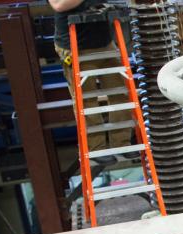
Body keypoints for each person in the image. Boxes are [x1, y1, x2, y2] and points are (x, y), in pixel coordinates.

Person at [48, 0, 133, 165]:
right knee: (86, 100)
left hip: (104, 42)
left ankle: (122, 144)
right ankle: (96, 149)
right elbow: (58, 5)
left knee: (120, 93)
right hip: (75, 45)